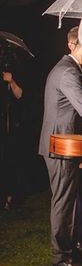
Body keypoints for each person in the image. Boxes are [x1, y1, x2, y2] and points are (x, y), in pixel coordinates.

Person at [39, 26, 82, 266]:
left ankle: (76, 247)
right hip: (60, 146)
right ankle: (60, 257)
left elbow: (80, 107)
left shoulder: (75, 70)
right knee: (63, 201)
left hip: (69, 145)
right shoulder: (67, 72)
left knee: (75, 199)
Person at [0, 67, 25, 210]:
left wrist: (11, 81)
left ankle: (9, 196)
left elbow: (20, 95)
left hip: (7, 124)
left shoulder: (8, 72)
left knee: (8, 158)